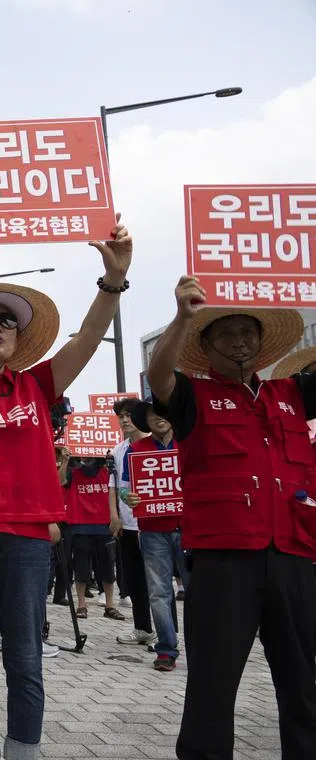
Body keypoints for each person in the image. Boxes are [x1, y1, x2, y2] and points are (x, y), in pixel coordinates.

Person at [0, 216, 133, 760]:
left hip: (29, 538)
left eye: (7, 321)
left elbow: (87, 339)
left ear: (18, 339)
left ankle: (23, 751)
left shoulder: (39, 384)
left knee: (25, 655)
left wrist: (113, 281)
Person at [147, 277, 316, 760]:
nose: (240, 340)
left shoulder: (294, 394)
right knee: (212, 685)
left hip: (294, 556)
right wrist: (182, 316)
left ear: (261, 341)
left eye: (248, 332)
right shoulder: (193, 398)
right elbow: (160, 379)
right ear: (206, 344)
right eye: (226, 333)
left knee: (303, 683)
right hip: (225, 561)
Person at [120, 401, 187, 672]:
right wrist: (129, 498)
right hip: (152, 531)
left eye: (164, 412)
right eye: (153, 415)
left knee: (197, 592)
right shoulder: (135, 450)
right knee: (159, 593)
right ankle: (167, 649)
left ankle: (201, 646)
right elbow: (124, 488)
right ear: (145, 420)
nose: (159, 418)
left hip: (188, 529)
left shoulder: (188, 442)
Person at [109, 397, 156, 648]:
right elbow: (113, 486)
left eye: (129, 415)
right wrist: (114, 515)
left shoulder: (154, 445)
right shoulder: (118, 450)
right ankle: (142, 628)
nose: (125, 420)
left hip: (153, 524)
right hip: (127, 525)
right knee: (135, 579)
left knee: (158, 583)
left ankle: (168, 633)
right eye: (121, 416)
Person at [62, 456, 126, 621]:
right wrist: (64, 461)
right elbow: (58, 482)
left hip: (104, 526)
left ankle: (110, 606)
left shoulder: (108, 473)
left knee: (107, 568)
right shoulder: (72, 473)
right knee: (81, 568)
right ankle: (81, 605)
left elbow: (119, 493)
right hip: (80, 526)